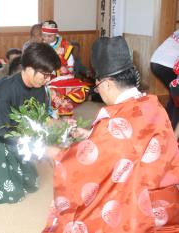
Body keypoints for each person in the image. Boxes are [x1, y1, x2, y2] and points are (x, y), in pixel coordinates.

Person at [43, 36, 179, 232]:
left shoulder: (112, 125)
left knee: (78, 214)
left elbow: (82, 165)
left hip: (136, 210)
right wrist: (91, 134)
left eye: (97, 87)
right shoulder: (153, 104)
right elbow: (129, 143)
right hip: (164, 201)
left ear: (106, 84)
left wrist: (54, 153)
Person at [0, 42, 61, 204]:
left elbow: (41, 119)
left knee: (31, 183)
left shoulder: (40, 87)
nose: (47, 79)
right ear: (29, 68)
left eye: (50, 75)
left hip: (15, 133)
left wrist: (61, 127)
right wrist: (42, 149)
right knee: (9, 194)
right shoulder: (4, 91)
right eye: (45, 74)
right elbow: (2, 133)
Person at [42, 20, 90, 116]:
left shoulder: (65, 44)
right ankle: (51, 110)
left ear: (55, 34)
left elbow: (70, 59)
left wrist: (70, 70)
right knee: (49, 90)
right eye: (44, 35)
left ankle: (64, 109)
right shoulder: (42, 45)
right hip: (47, 73)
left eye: (49, 36)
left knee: (65, 90)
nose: (46, 38)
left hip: (63, 73)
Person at [151, 29, 179, 129]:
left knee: (174, 96)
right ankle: (172, 132)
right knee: (177, 97)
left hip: (155, 62)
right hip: (167, 65)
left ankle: (164, 126)